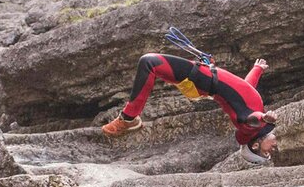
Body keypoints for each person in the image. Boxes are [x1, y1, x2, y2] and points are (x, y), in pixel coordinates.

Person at [101, 53, 279, 165]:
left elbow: (251, 120)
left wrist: (264, 118)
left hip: (203, 79)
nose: (273, 148)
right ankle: (129, 118)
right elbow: (244, 87)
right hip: (204, 78)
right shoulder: (252, 109)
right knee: (150, 63)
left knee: (149, 62)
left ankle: (128, 118)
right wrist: (257, 70)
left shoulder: (247, 126)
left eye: (267, 152)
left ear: (255, 145)